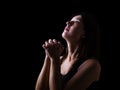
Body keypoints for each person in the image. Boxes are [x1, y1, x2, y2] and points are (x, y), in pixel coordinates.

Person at [35, 12, 101, 90]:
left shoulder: (92, 65)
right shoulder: (58, 59)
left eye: (76, 21)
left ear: (85, 33)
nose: (68, 22)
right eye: (70, 20)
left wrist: (54, 59)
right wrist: (48, 56)